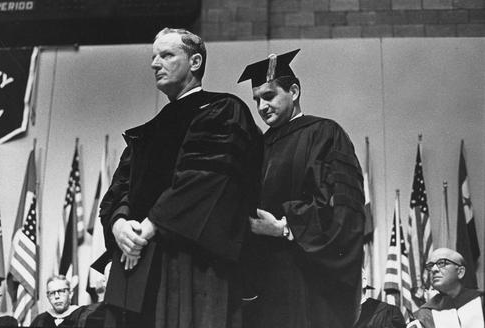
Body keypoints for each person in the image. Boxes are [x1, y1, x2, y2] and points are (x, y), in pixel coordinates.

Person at [99, 27, 262, 328]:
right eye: (153, 57)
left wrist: (149, 226)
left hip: (189, 264)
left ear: (195, 62)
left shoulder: (222, 110)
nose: (154, 63)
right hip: (134, 263)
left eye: (166, 55)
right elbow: (121, 187)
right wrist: (119, 224)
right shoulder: (147, 131)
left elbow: (207, 179)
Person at [238, 50, 365, 328]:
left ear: (293, 91)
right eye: (256, 99)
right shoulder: (256, 147)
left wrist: (285, 227)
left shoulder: (325, 134)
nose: (261, 107)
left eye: (269, 96)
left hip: (308, 280)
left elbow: (343, 212)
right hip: (263, 282)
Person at [410, 248, 484, 328]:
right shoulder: (426, 313)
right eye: (430, 266)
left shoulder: (481, 301)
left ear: (460, 272)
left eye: (442, 263)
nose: (434, 269)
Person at [30, 275, 104, 327]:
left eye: (61, 291)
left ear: (70, 293)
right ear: (48, 296)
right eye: (52, 293)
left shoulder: (83, 315)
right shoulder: (40, 320)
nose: (56, 296)